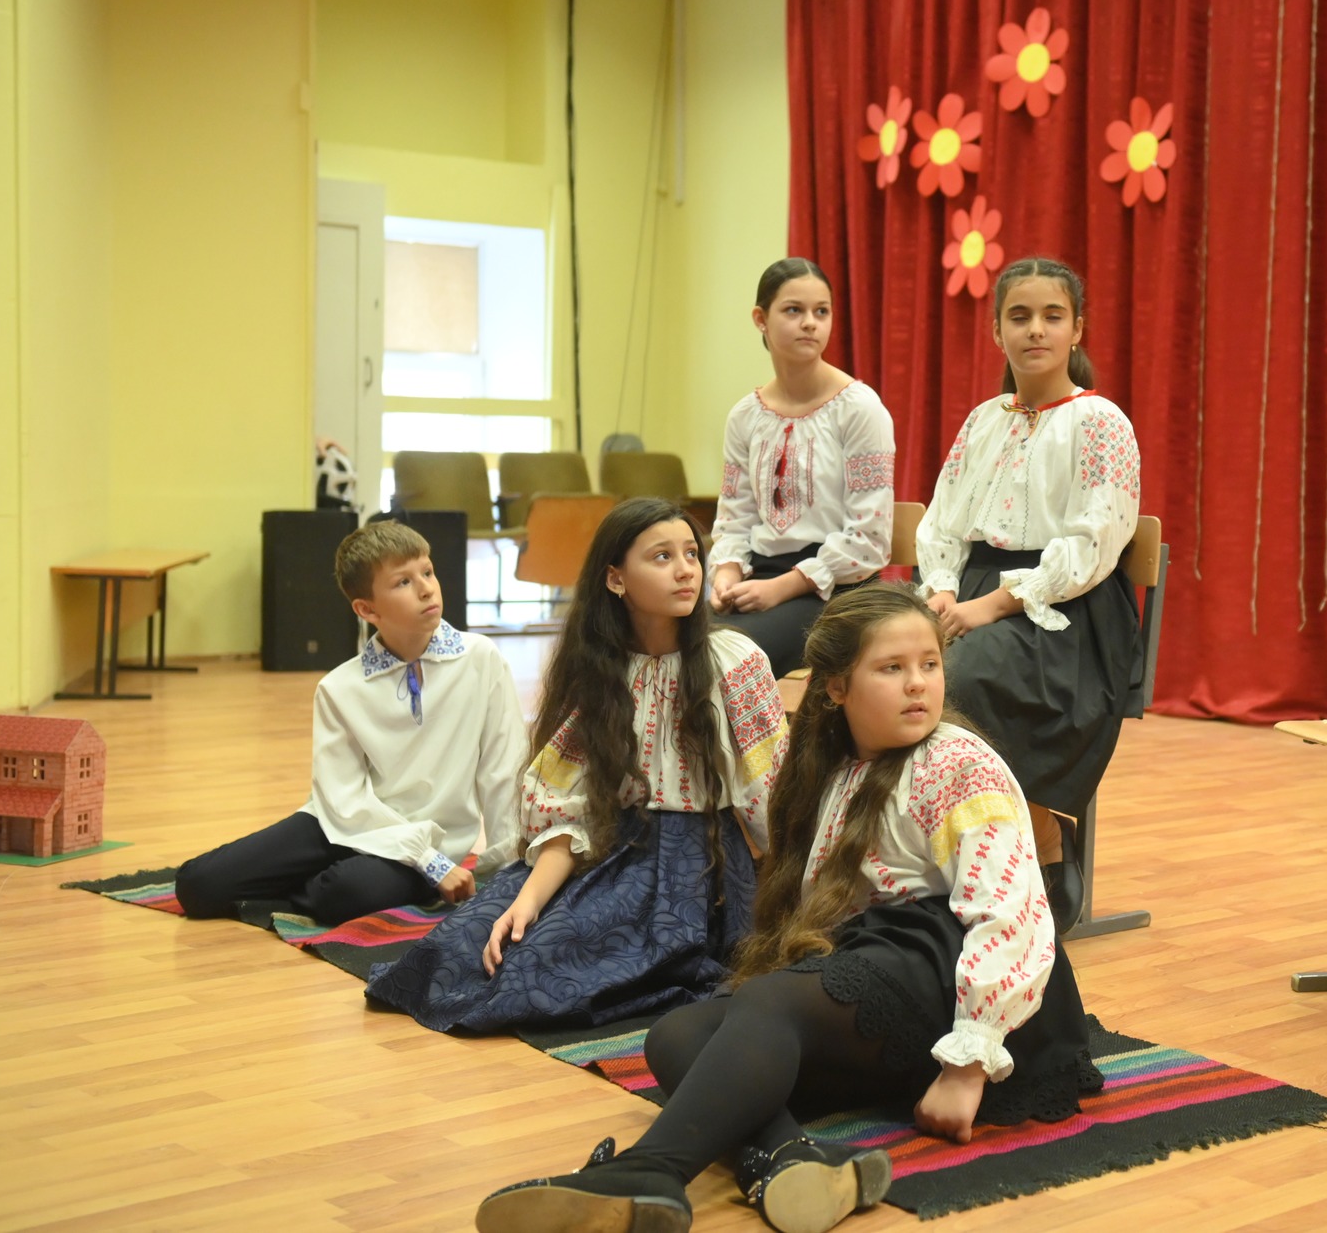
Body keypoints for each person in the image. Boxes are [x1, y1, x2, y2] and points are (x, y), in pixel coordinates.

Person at [473, 584, 1099, 1233]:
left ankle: (650, 1171)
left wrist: (968, 1063)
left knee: (768, 1002)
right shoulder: (830, 767)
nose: (918, 683)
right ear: (836, 687)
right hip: (883, 969)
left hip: (955, 975)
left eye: (930, 664)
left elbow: (1014, 913)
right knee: (677, 1034)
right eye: (892, 667)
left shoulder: (959, 764)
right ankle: (789, 1157)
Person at [364, 498, 787, 1034]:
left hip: (697, 869)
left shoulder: (736, 660)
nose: (686, 570)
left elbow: (773, 796)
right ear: (615, 578)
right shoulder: (600, 671)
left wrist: (791, 905)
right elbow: (569, 812)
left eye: (691, 554)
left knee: (537, 973)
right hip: (609, 848)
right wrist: (527, 900)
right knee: (464, 944)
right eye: (662, 556)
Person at [916, 256, 1140, 915]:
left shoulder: (1100, 421)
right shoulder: (984, 419)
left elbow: (1092, 545)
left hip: (1066, 610)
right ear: (997, 331)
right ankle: (929, 856)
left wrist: (989, 605)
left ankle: (1040, 836)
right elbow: (944, 519)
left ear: (1077, 329)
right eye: (1019, 316)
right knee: (882, 666)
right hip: (971, 591)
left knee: (956, 679)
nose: (1035, 329)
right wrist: (940, 588)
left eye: (1052, 315)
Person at [175, 521, 522, 926]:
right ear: (366, 610)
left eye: (427, 572)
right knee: (198, 886)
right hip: (343, 825)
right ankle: (316, 881)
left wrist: (506, 870)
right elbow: (342, 802)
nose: (427, 588)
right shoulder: (339, 687)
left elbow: (504, 770)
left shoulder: (481, 659)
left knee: (344, 892)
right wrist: (431, 864)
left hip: (427, 840)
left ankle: (320, 884)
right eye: (404, 582)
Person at [709, 258, 895, 675]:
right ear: (761, 319)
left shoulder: (859, 409)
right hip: (760, 576)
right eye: (794, 310)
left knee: (724, 655)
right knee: (667, 640)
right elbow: (735, 517)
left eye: (821, 311)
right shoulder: (745, 416)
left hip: (836, 589)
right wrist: (726, 574)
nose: (810, 323)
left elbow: (870, 537)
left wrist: (783, 588)